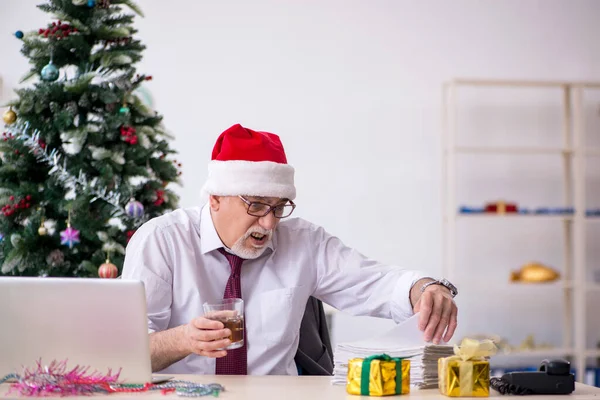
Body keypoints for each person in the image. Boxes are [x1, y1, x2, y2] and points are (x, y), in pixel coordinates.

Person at [121, 123, 459, 376]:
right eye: (256, 205)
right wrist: (183, 340)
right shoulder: (161, 241)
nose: (269, 224)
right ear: (215, 199)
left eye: (279, 207)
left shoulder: (302, 242)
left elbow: (375, 283)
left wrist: (422, 288)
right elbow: (125, 352)